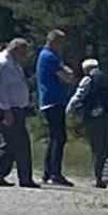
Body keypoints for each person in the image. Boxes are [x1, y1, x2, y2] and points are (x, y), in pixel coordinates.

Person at [68, 58, 108, 188]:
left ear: (86, 69)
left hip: (94, 117)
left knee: (97, 148)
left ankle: (99, 179)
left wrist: (69, 110)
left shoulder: (88, 79)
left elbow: (79, 96)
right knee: (107, 148)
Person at [36, 29, 76, 186]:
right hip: (53, 100)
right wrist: (69, 74)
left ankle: (48, 172)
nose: (62, 46)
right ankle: (55, 173)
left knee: (54, 137)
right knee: (59, 137)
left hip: (49, 100)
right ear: (54, 41)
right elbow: (65, 76)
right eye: (61, 43)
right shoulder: (50, 57)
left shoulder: (45, 55)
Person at [0, 38, 39, 188]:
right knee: (20, 144)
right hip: (8, 109)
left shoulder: (14, 64)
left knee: (11, 145)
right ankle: (25, 178)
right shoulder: (4, 63)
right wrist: (6, 110)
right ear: (15, 49)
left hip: (17, 108)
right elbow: (1, 89)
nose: (25, 56)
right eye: (23, 52)